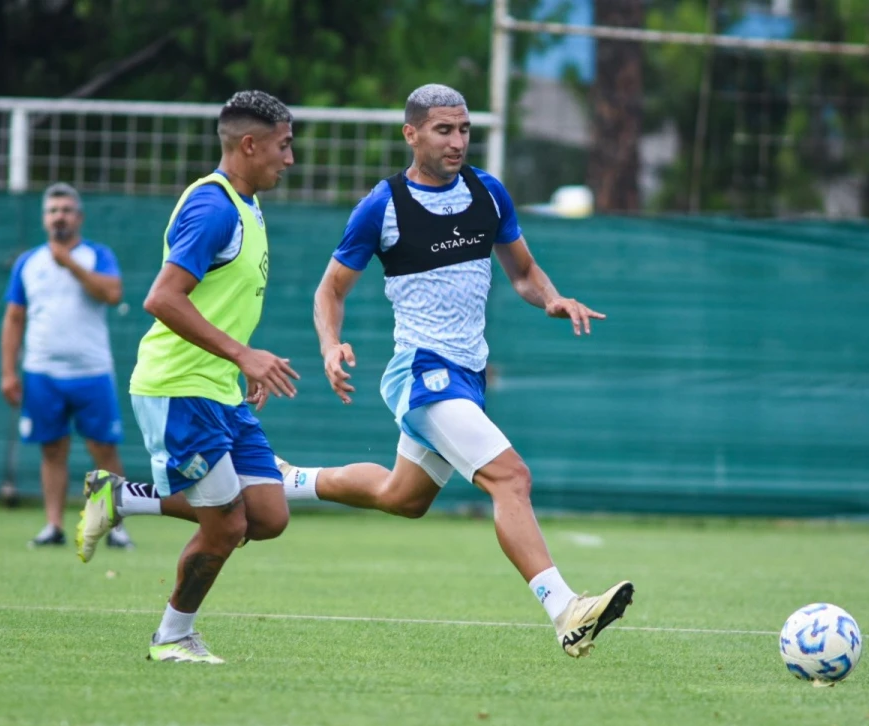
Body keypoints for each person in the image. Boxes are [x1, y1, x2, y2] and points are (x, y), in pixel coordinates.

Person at [276, 84, 634, 658]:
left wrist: (552, 298)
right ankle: (565, 608)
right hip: (422, 372)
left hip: (467, 376)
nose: (458, 141)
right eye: (444, 130)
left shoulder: (488, 193)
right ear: (411, 133)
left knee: (403, 497)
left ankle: (286, 479)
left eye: (465, 129)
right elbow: (330, 290)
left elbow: (522, 272)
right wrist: (329, 344)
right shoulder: (383, 205)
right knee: (511, 477)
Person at [76, 90, 300, 664]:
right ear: (249, 145)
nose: (290, 158)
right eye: (283, 145)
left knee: (268, 515)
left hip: (217, 387)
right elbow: (162, 298)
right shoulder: (214, 207)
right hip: (180, 388)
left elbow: (217, 301)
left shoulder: (247, 204)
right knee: (225, 526)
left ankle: (118, 497)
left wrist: (237, 359)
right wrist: (243, 355)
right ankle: (172, 636)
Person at [0, 182, 134, 550]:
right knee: (52, 449)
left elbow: (112, 293)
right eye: (52, 210)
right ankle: (54, 525)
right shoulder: (28, 263)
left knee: (104, 449)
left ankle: (115, 527)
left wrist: (70, 264)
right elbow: (14, 318)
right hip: (42, 371)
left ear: (79, 217)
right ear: (44, 219)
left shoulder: (97, 255)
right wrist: (9, 371)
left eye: (66, 210)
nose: (59, 216)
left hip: (91, 370)